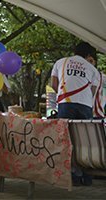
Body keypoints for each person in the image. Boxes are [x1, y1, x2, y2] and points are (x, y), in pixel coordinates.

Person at [51, 41, 98, 186]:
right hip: (85, 105)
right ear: (88, 55)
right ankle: (86, 176)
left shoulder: (60, 62)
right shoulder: (92, 69)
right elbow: (93, 91)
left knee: (66, 140)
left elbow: (54, 84)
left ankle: (70, 175)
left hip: (65, 104)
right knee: (85, 141)